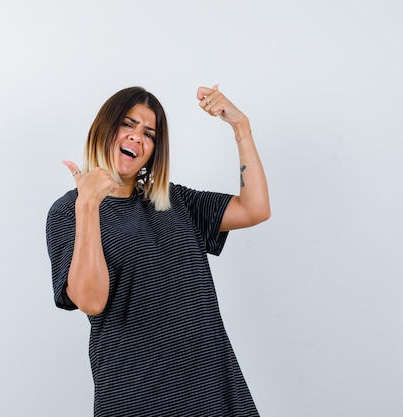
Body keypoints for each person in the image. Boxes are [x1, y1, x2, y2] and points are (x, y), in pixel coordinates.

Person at [46, 85, 270, 416]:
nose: (137, 137)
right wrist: (89, 204)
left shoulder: (174, 201)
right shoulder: (68, 212)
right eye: (127, 124)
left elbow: (255, 209)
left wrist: (241, 127)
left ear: (153, 150)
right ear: (104, 129)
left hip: (211, 391)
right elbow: (90, 301)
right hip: (137, 398)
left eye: (148, 133)